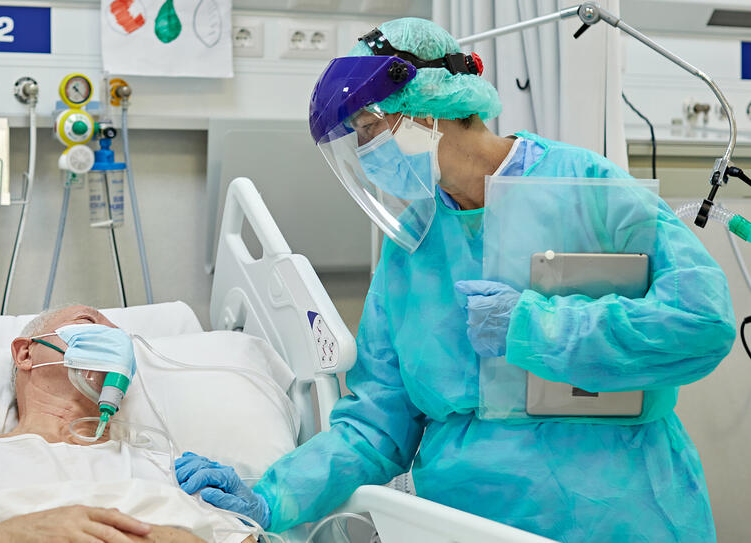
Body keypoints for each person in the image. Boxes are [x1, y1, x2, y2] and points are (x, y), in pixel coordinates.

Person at [175, 17, 736, 542]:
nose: (369, 151)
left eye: (372, 128)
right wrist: (271, 495)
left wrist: (535, 325)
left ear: (429, 105)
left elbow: (699, 323)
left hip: (615, 509)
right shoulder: (414, 247)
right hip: (463, 522)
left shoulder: (584, 186)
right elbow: (377, 423)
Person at [0, 305, 251, 543]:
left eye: (122, 340)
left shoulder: (171, 469)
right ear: (25, 355)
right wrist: (10, 536)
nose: (116, 345)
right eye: (91, 325)